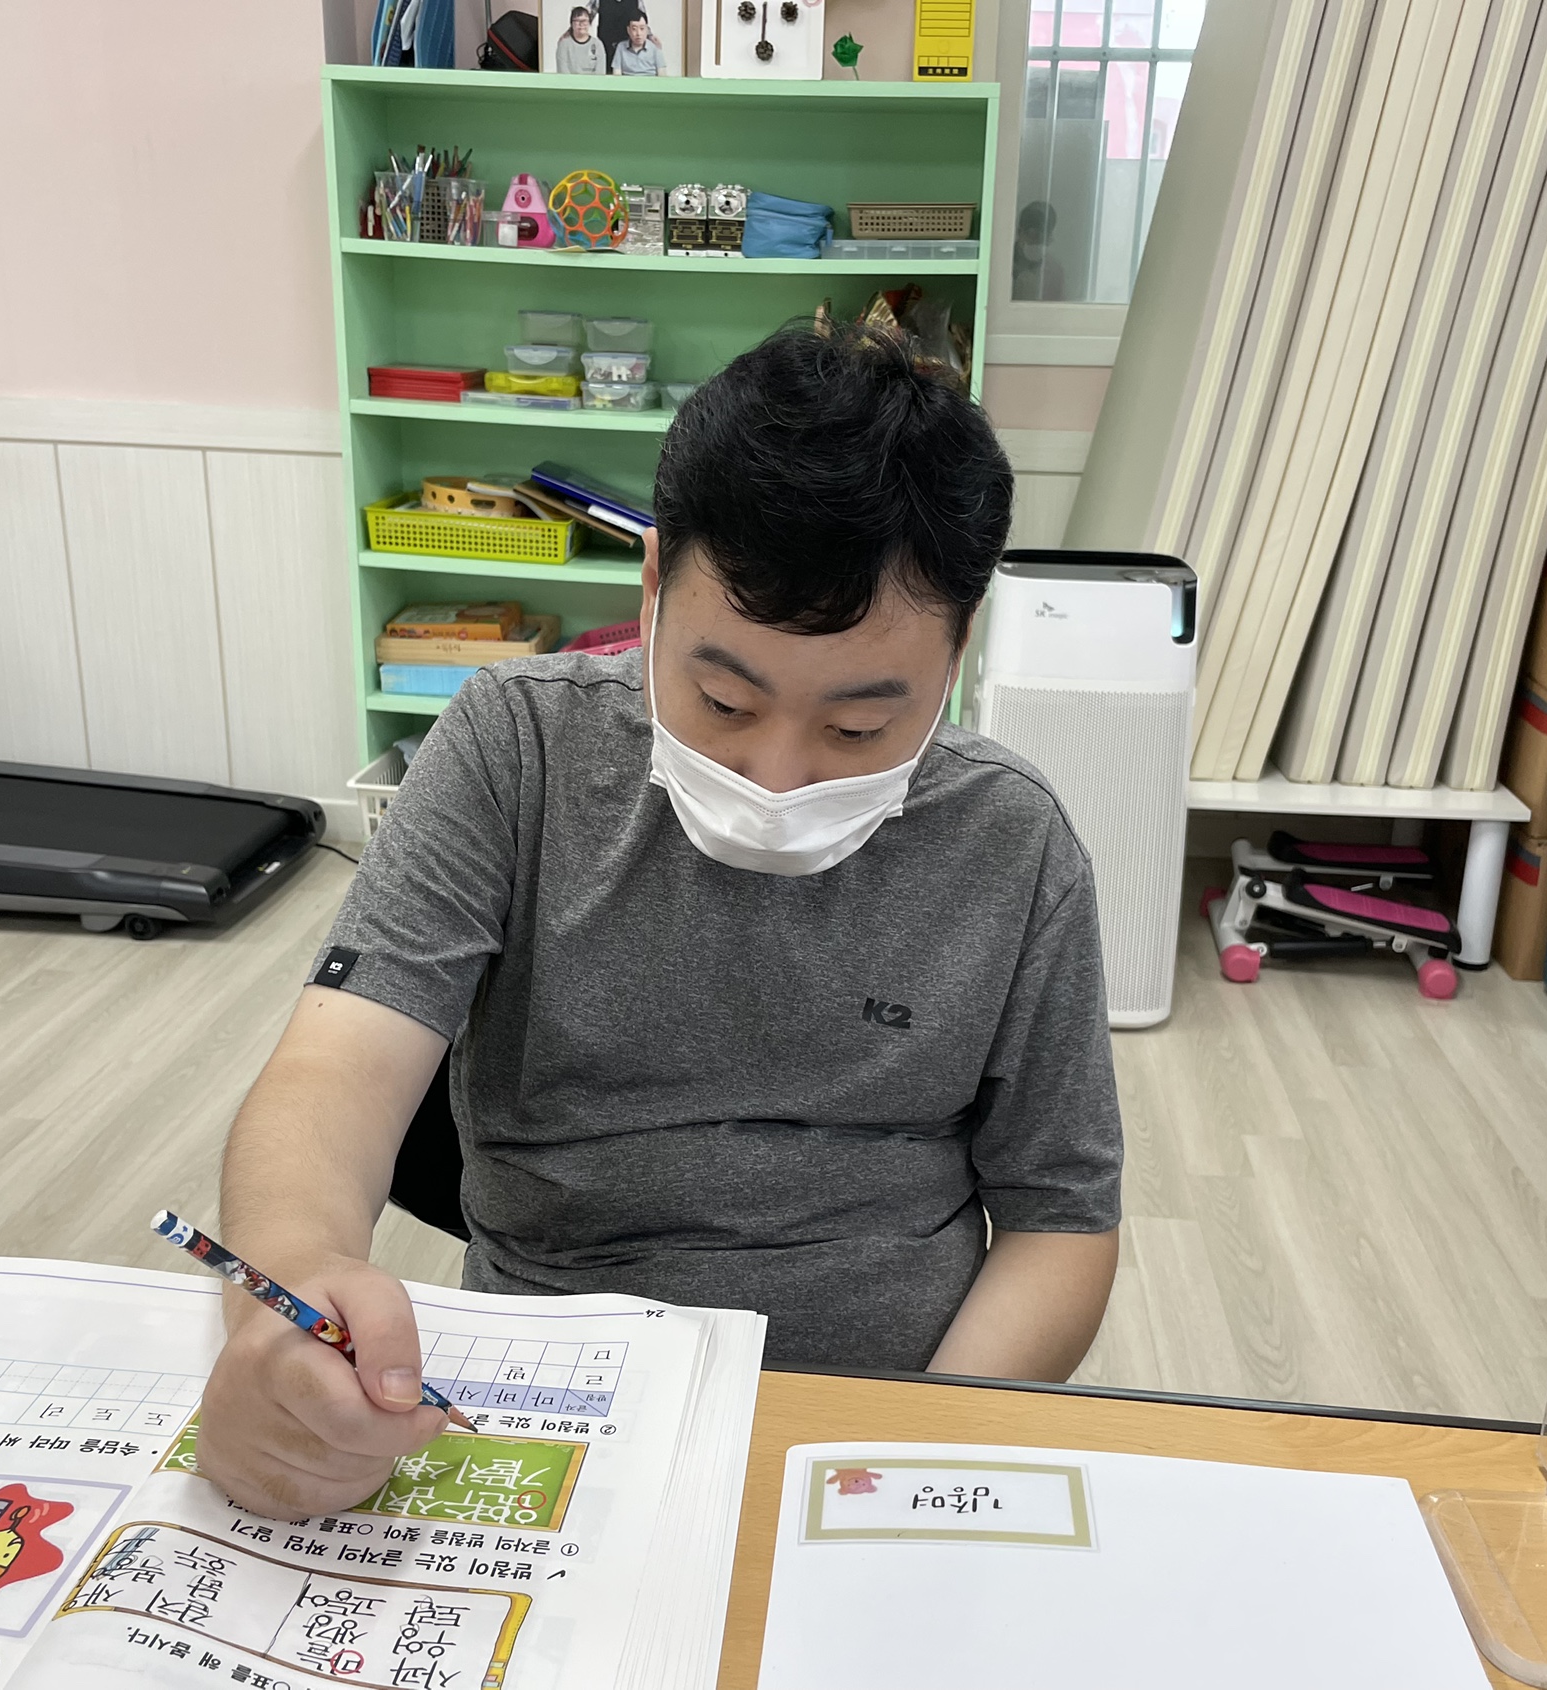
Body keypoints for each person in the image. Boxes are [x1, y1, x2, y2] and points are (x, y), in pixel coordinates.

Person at [199, 324, 1124, 1519]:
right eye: (722, 698)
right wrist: (294, 1285)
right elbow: (334, 1070)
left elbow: (1059, 1217)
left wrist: (911, 1450)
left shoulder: (1010, 838)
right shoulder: (516, 750)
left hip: (884, 1410)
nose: (776, 776)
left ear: (958, 644)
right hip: (554, 1398)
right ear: (649, 585)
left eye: (856, 728)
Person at [554, 6, 604, 73]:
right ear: (571, 23)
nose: (581, 24)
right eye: (577, 21)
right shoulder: (564, 44)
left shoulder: (597, 44)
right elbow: (563, 71)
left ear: (589, 22)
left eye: (584, 20)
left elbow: (600, 72)